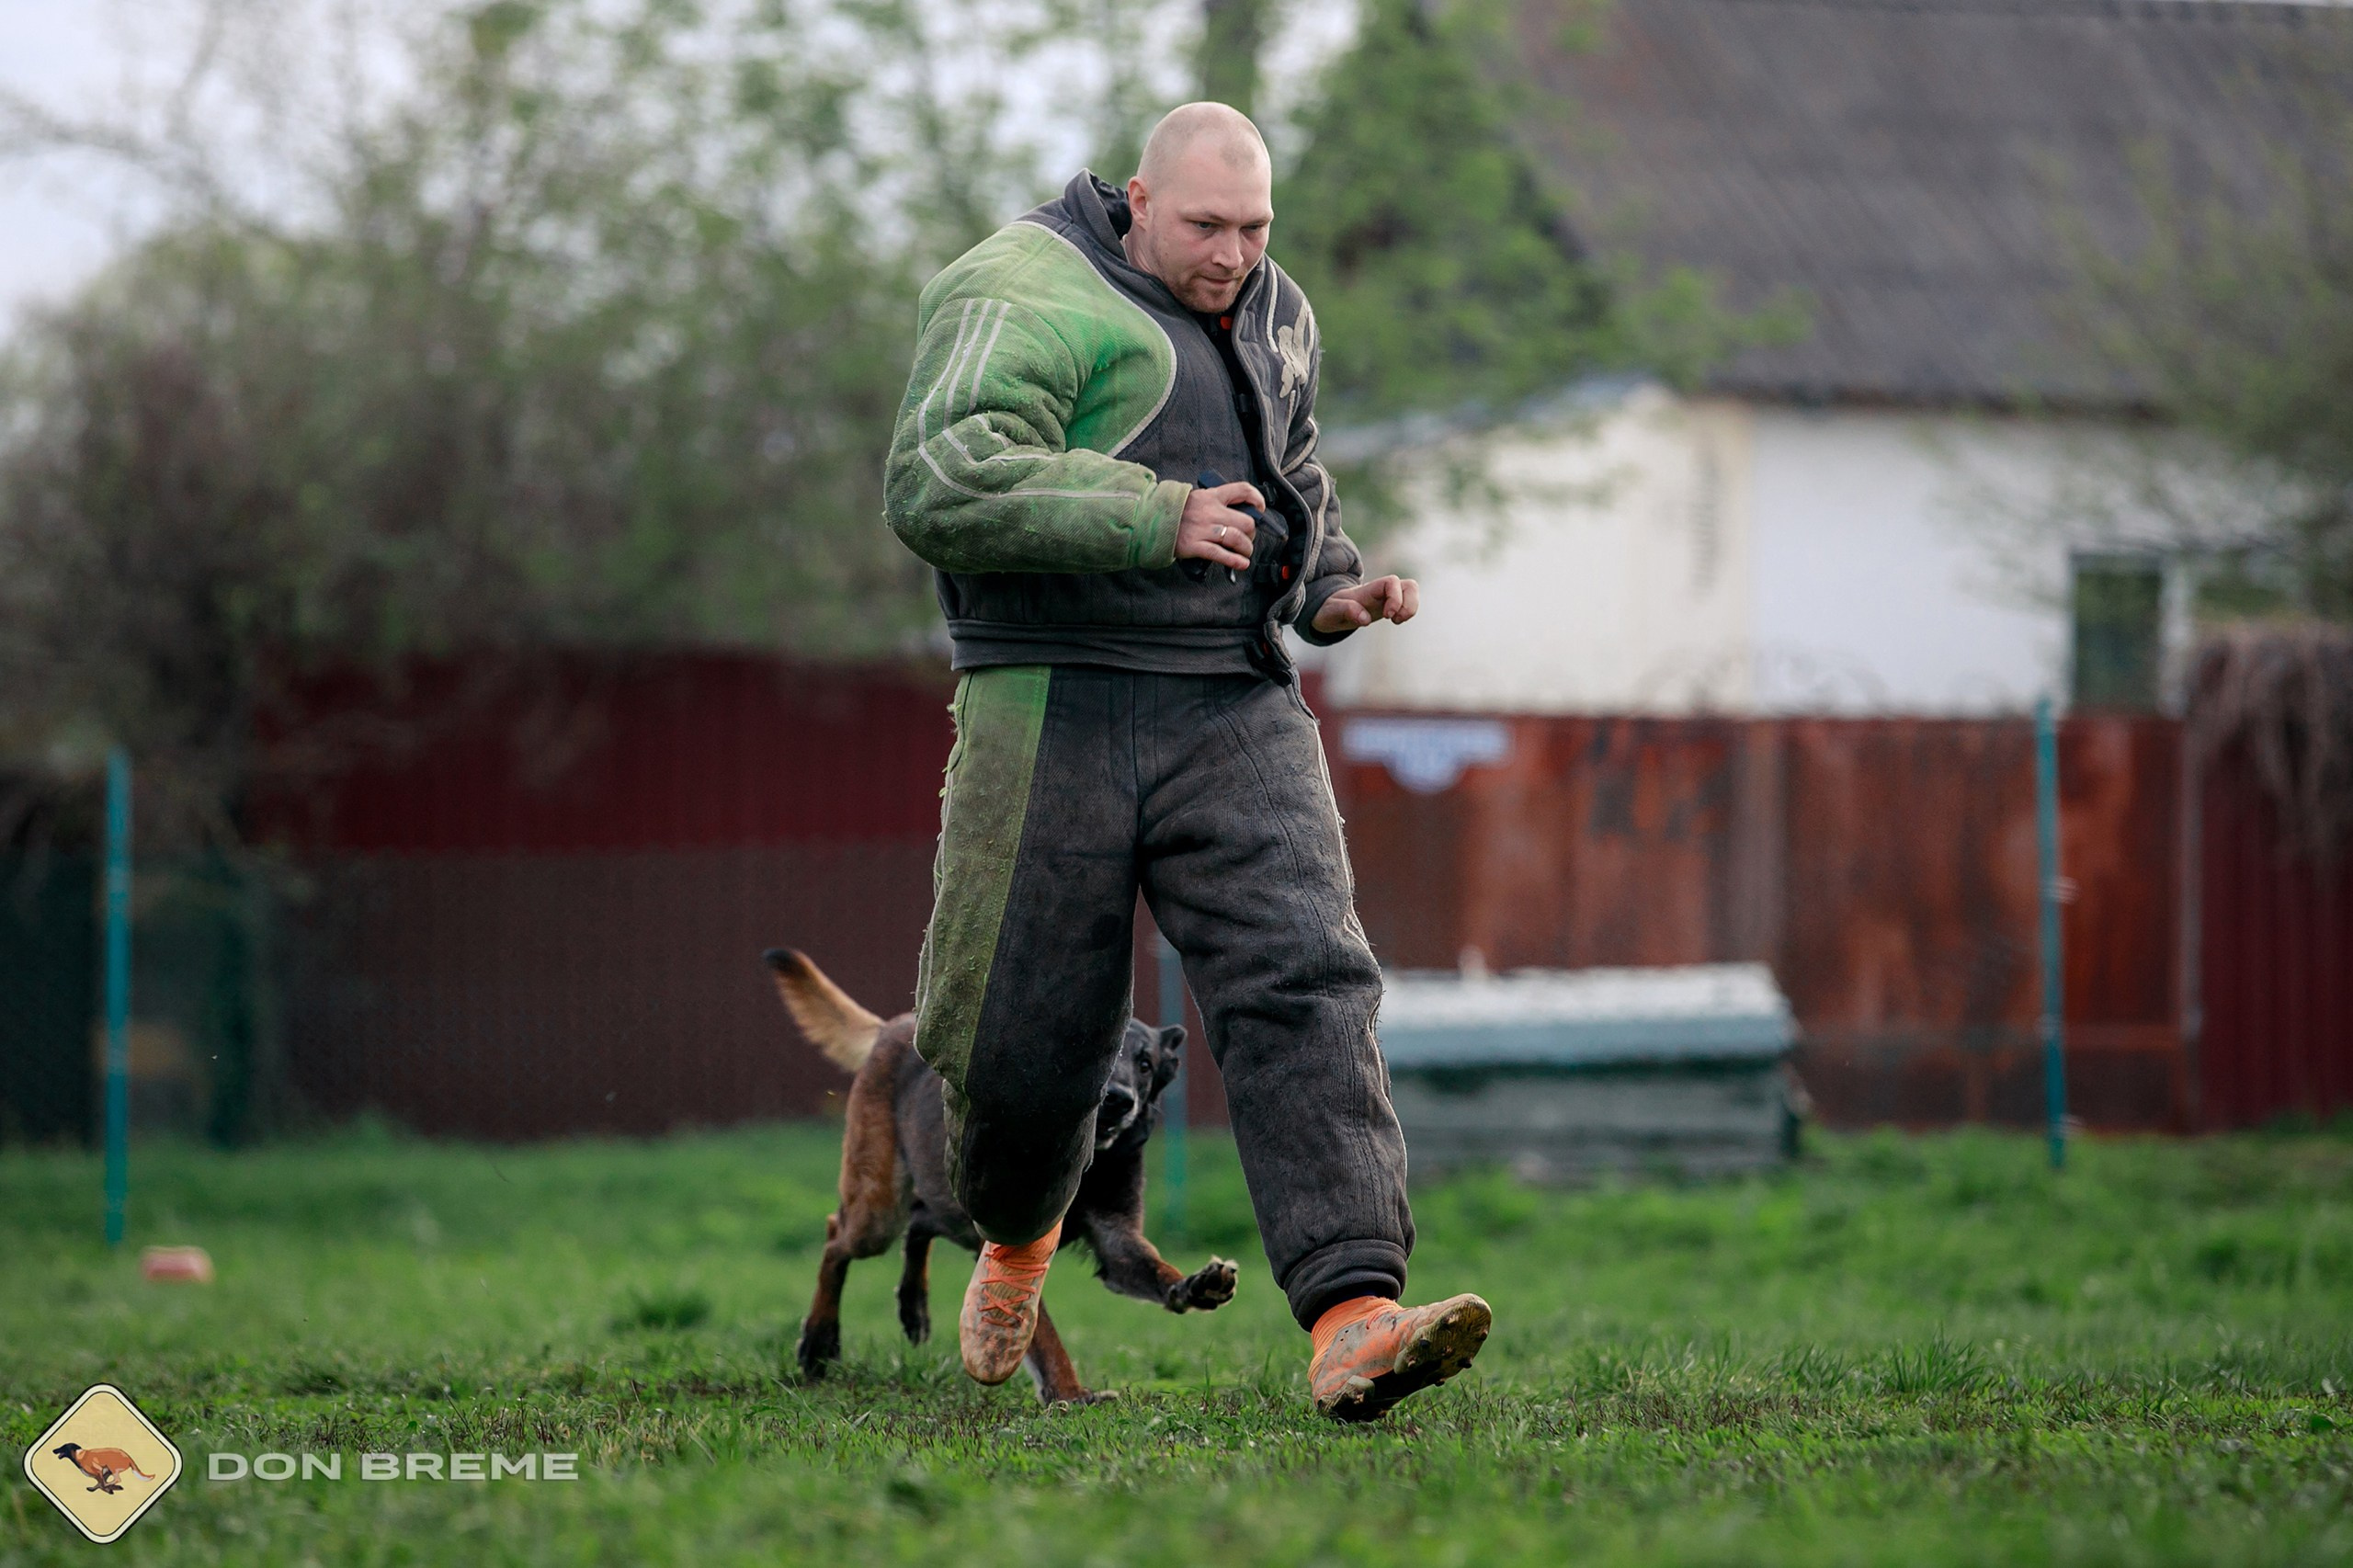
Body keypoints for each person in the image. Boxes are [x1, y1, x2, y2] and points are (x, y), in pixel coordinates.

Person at [882, 101, 1489, 1421]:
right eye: (1207, 226)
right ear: (1139, 198)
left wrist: (1326, 588)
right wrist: (1154, 517)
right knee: (1019, 1046)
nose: (1234, 255)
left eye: (1257, 226)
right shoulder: (1017, 286)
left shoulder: (1278, 310)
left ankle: (1354, 1312)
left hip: (1231, 699)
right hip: (1051, 702)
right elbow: (938, 473)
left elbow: (1294, 474)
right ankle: (1021, 1227)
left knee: (1307, 979)